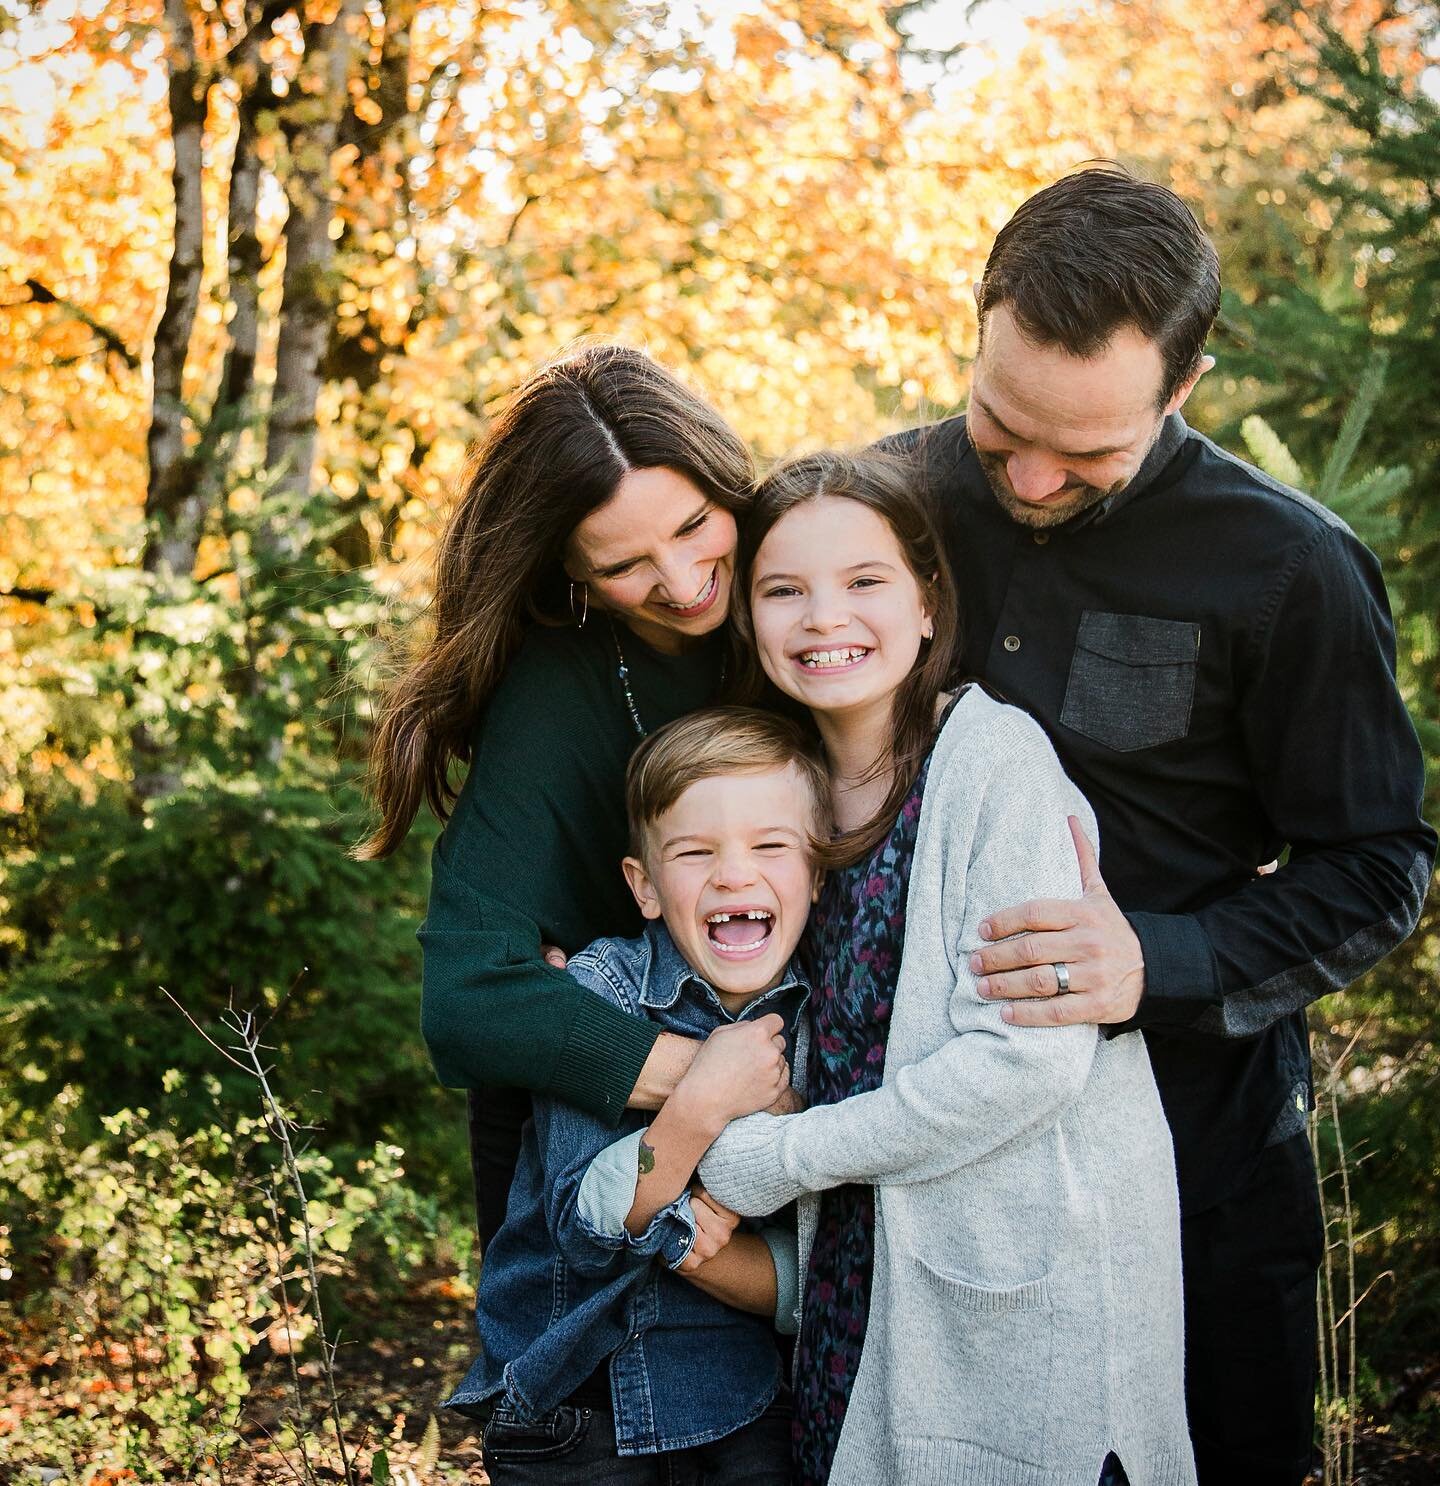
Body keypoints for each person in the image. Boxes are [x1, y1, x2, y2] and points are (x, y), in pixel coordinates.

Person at [896, 165, 1437, 1483]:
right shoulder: (881, 504)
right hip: (918, 1149)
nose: (1027, 474)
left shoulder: (1289, 569)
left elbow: (1382, 867)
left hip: (1200, 1167)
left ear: (1182, 387)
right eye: (998, 422)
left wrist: (1162, 962)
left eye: (1085, 454)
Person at [698, 450, 1195, 1486]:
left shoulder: (993, 763)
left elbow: (1029, 1063)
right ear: (749, 620)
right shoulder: (776, 783)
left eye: (864, 582)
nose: (824, 617)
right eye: (784, 590)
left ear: (927, 604)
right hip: (859, 1280)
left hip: (1016, 1281)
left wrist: (783, 1157)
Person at [356, 343, 779, 1249]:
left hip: (804, 1114)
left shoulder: (807, 600)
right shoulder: (558, 686)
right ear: (576, 582)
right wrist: (710, 1078)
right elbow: (468, 996)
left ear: (729, 484)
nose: (677, 580)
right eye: (626, 565)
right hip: (587, 1131)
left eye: (696, 524)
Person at [445, 707, 831, 1483]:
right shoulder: (597, 993)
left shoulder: (827, 1014)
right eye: (696, 852)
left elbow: (808, 1275)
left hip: (751, 1398)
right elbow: (586, 1226)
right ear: (646, 887)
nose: (734, 873)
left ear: (817, 875)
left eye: (770, 846)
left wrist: (690, 1239)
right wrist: (701, 1103)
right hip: (578, 1403)